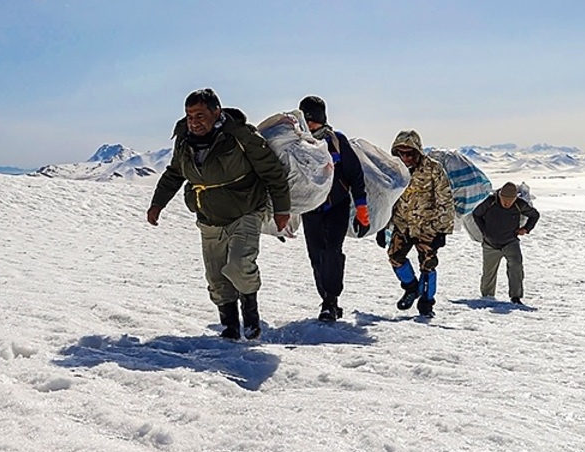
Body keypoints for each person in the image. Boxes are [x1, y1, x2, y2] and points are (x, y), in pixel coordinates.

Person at [147, 89, 292, 340]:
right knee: (216, 277)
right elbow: (174, 173)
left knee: (239, 265)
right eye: (190, 115)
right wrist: (157, 204)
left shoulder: (240, 135)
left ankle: (251, 317)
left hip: (245, 209)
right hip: (209, 217)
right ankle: (230, 327)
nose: (194, 121)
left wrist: (282, 208)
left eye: (200, 115)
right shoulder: (184, 140)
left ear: (217, 112)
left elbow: (272, 171)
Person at [296, 96, 368, 322]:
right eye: (306, 121)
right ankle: (327, 298)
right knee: (316, 257)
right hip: (311, 209)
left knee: (331, 252)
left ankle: (330, 302)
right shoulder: (298, 145)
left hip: (336, 207)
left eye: (313, 120)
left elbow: (355, 175)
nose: (310, 125)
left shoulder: (336, 141)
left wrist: (362, 209)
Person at [379, 130, 454, 318]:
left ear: (418, 152)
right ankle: (411, 288)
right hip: (402, 225)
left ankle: (427, 303)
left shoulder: (433, 169)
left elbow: (445, 200)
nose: (405, 158)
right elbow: (386, 199)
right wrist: (382, 226)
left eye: (409, 153)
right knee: (395, 257)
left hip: (428, 227)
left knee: (428, 264)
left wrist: (442, 231)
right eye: (400, 153)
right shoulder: (392, 169)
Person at [471, 182, 540, 304]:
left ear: (515, 198)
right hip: (490, 244)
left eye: (510, 201)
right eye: (504, 200)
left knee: (516, 267)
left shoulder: (520, 204)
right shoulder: (490, 202)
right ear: (500, 196)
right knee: (489, 272)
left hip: (510, 242)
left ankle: (516, 297)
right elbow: (476, 214)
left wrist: (526, 229)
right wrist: (484, 231)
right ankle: (487, 296)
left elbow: (534, 215)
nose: (507, 203)